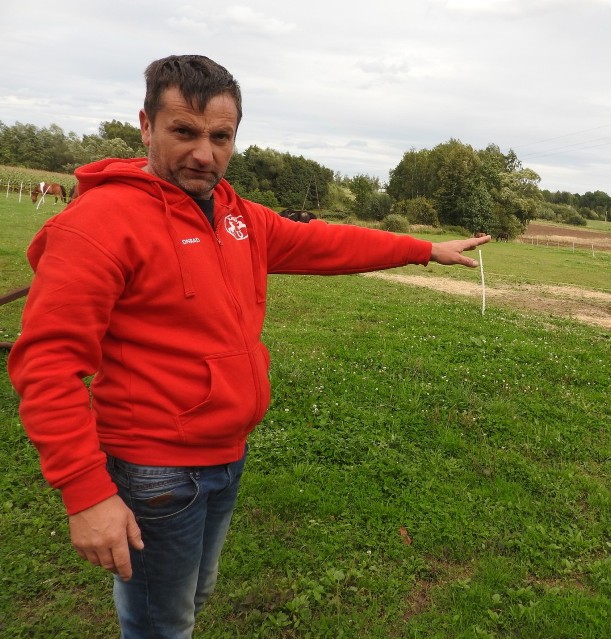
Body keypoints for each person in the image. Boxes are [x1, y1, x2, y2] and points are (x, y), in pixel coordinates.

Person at [8, 54, 490, 638]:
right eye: (183, 132)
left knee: (191, 595)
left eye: (220, 136)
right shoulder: (99, 223)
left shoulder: (238, 216)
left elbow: (325, 243)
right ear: (145, 126)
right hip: (155, 469)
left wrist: (421, 249)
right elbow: (47, 364)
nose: (203, 154)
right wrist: (86, 493)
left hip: (224, 455)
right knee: (162, 623)